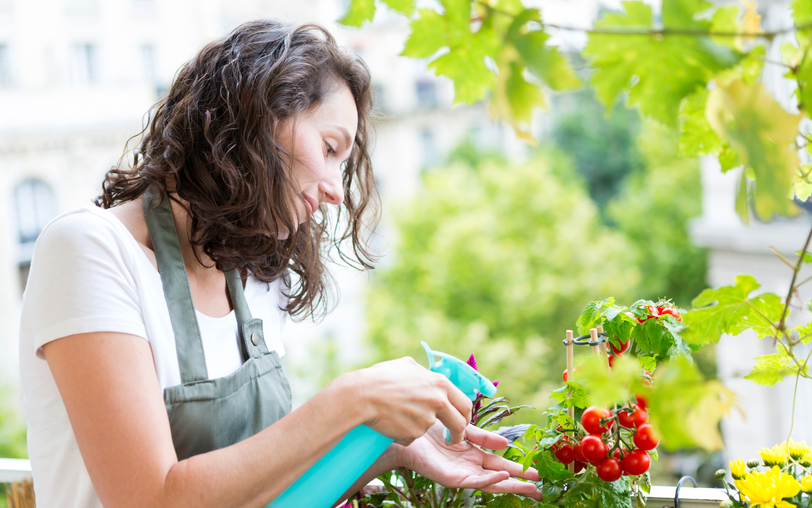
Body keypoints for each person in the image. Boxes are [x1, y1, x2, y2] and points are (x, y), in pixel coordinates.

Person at [18, 19, 542, 508]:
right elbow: (150, 497)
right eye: (330, 147)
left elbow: (261, 488)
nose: (337, 191)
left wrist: (387, 449)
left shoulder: (257, 277)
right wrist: (349, 403)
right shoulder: (88, 250)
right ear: (259, 120)